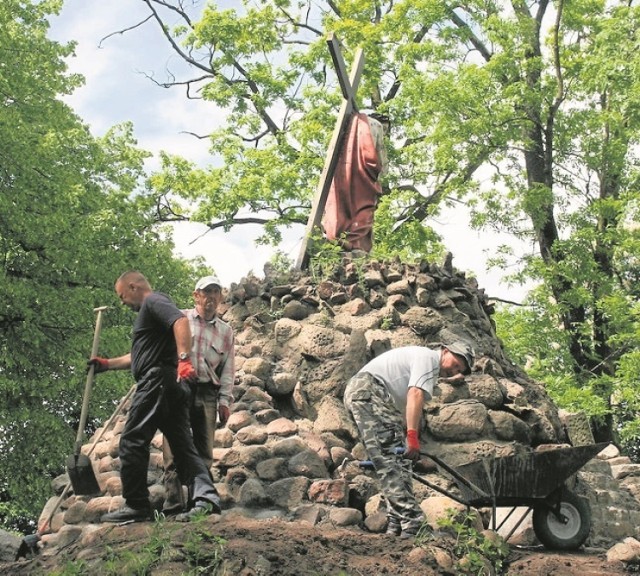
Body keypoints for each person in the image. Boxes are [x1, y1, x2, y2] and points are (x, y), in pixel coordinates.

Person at [88, 271, 221, 522]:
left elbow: (180, 322)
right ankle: (206, 498)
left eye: (122, 296)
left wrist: (183, 359)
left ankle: (137, 505)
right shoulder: (149, 315)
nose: (122, 302)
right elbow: (137, 358)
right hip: (168, 383)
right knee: (183, 447)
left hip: (157, 381)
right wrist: (106, 364)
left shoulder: (153, 301)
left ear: (133, 286)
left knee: (132, 440)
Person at [343, 341, 475, 538]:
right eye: (456, 364)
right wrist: (412, 436)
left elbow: (406, 407)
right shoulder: (428, 358)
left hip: (367, 395)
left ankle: (396, 524)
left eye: (460, 370)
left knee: (396, 461)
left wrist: (405, 436)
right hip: (370, 392)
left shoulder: (423, 360)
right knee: (390, 462)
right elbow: (415, 393)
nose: (454, 371)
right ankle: (415, 524)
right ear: (445, 351)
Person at [162, 275, 235, 515]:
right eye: (206, 292)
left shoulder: (226, 332)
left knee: (204, 450)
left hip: (207, 393)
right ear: (196, 296)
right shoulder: (180, 319)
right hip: (179, 388)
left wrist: (224, 401)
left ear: (220, 297)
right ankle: (172, 504)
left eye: (216, 292)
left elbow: (228, 370)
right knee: (172, 449)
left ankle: (200, 504)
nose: (211, 297)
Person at [322, 112, 389, 253]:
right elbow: (381, 159)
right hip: (366, 177)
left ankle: (339, 238)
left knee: (342, 205)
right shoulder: (376, 125)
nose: (385, 133)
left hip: (344, 175)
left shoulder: (351, 125)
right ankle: (356, 243)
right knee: (365, 208)